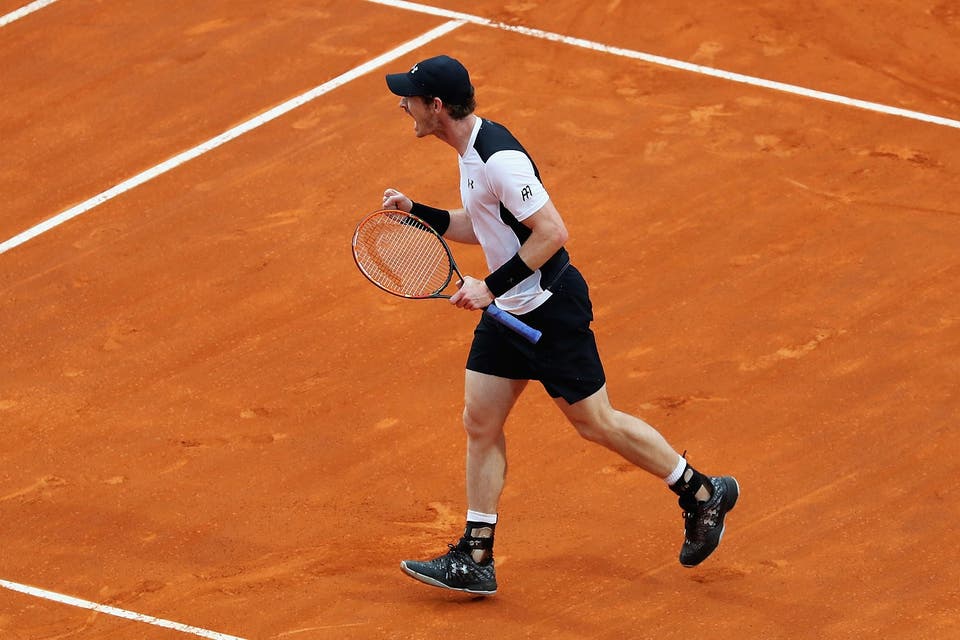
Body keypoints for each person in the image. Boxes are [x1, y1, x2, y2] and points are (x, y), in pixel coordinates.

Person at [382, 54, 738, 596]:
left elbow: (551, 232)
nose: (402, 104)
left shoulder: (499, 159)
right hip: (507, 314)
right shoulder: (468, 153)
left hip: (549, 309)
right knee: (480, 421)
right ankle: (477, 553)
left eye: (409, 96)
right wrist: (419, 212)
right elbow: (482, 227)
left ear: (437, 107)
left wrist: (489, 289)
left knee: (596, 424)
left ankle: (701, 493)